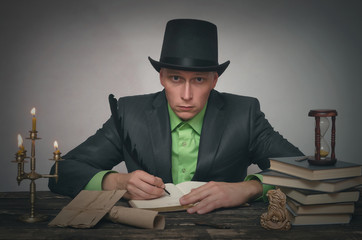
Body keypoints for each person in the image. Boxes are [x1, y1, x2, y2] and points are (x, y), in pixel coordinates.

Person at [49, 19, 303, 214]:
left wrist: (249, 188)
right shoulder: (129, 113)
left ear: (214, 80)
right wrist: (117, 182)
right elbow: (61, 172)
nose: (186, 94)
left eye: (199, 80)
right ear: (161, 77)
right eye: (175, 78)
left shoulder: (244, 113)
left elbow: (303, 171)